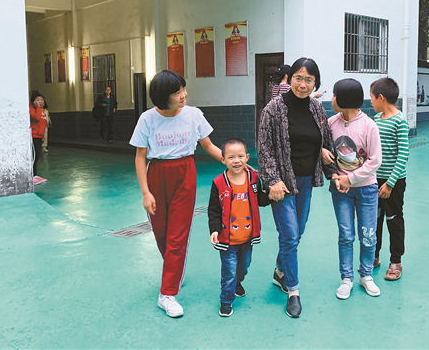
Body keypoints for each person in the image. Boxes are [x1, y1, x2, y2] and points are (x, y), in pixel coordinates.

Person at [129, 70, 223, 318]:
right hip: (157, 175)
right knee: (161, 234)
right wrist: (146, 193)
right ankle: (175, 271)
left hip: (185, 173)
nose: (184, 95)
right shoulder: (147, 119)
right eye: (177, 92)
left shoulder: (194, 115)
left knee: (177, 236)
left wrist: (231, 161)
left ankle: (167, 294)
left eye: (183, 89)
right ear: (163, 96)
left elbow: (208, 145)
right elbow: (140, 157)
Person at [257, 57, 336, 319]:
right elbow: (264, 148)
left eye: (309, 80)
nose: (303, 84)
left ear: (316, 83)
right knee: (290, 235)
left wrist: (331, 168)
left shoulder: (317, 108)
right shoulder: (273, 109)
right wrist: (272, 180)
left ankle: (280, 270)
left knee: (297, 232)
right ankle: (293, 291)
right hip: (282, 183)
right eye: (298, 78)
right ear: (290, 79)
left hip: (306, 180)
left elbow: (325, 141)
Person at [323, 79, 382, 300]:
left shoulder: (369, 125)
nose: (331, 100)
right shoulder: (330, 123)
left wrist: (351, 178)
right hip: (341, 191)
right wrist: (332, 169)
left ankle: (366, 275)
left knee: (368, 235)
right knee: (346, 235)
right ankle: (346, 278)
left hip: (367, 189)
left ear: (344, 98)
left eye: (334, 95)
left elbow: (375, 160)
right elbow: (323, 148)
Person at [208, 138, 270, 317]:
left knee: (244, 267)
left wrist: (272, 195)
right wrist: (214, 230)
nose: (236, 161)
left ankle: (237, 283)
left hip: (247, 237)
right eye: (231, 157)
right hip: (227, 239)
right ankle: (226, 301)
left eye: (240, 156)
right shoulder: (218, 182)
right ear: (223, 160)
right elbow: (213, 210)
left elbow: (260, 200)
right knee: (229, 271)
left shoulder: (253, 178)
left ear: (247, 157)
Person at [370, 77, 410, 282]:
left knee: (393, 220)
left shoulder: (400, 121)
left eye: (371, 98)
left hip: (393, 182)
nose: (370, 102)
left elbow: (403, 154)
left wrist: (390, 183)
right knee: (374, 220)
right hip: (374, 180)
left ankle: (396, 261)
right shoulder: (376, 119)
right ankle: (373, 256)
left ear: (381, 97)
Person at [29, 92, 48, 185]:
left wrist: (43, 136)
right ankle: (32, 176)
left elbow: (43, 123)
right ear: (33, 101)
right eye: (37, 100)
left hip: (39, 136)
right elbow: (36, 118)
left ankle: (35, 175)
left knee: (37, 156)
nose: (40, 101)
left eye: (41, 100)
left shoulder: (41, 110)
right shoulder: (32, 109)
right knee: (33, 156)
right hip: (34, 136)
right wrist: (38, 108)